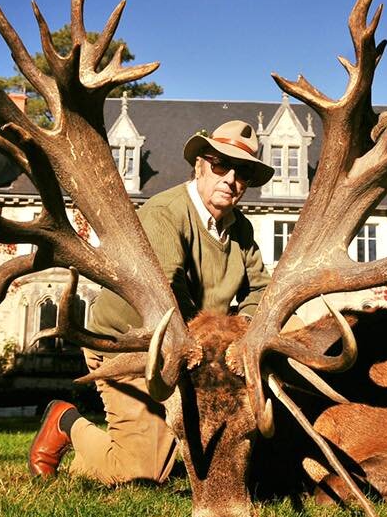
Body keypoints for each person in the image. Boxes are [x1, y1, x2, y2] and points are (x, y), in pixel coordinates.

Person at [28, 120, 275, 483]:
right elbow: (167, 299)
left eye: (245, 172)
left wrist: (244, 331)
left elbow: (261, 290)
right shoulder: (165, 213)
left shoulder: (240, 228)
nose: (231, 178)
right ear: (200, 165)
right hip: (128, 344)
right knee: (143, 471)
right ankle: (65, 422)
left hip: (192, 350)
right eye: (220, 164)